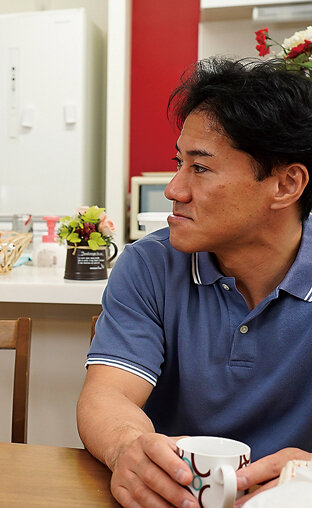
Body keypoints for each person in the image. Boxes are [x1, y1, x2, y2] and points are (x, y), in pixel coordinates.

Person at [77, 58, 312, 508]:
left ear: (286, 185)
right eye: (178, 163)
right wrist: (128, 448)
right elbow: (108, 395)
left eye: (200, 168)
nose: (174, 189)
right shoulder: (150, 265)